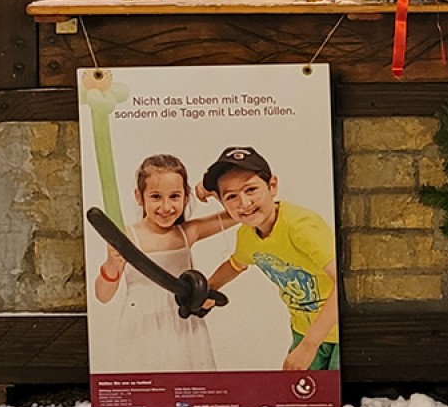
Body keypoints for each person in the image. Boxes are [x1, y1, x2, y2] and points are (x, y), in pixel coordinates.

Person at [197, 145, 340, 372]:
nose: (244, 203)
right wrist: (208, 288)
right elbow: (236, 264)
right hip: (304, 330)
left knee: (343, 402)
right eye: (231, 197)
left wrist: (309, 346)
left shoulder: (301, 228)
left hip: (340, 333)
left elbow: (344, 283)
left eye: (251, 190)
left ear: (272, 186)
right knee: (300, 398)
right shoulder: (247, 236)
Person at [92, 153, 234, 372]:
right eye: (156, 197)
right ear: (140, 197)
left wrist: (212, 192)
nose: (166, 207)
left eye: (175, 196)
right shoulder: (128, 238)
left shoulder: (188, 232)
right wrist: (112, 264)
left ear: (186, 197)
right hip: (143, 325)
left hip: (184, 323)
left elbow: (236, 215)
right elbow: (103, 296)